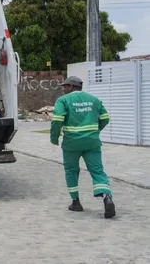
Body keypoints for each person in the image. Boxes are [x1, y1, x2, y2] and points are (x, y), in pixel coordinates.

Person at [50, 76, 115, 219]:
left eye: (64, 86)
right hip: (92, 142)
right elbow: (105, 118)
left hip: (71, 144)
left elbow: (57, 120)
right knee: (97, 171)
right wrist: (95, 131)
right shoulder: (94, 100)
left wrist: (54, 138)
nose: (62, 89)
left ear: (71, 87)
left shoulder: (63, 100)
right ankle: (106, 197)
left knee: (71, 171)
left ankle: (76, 202)